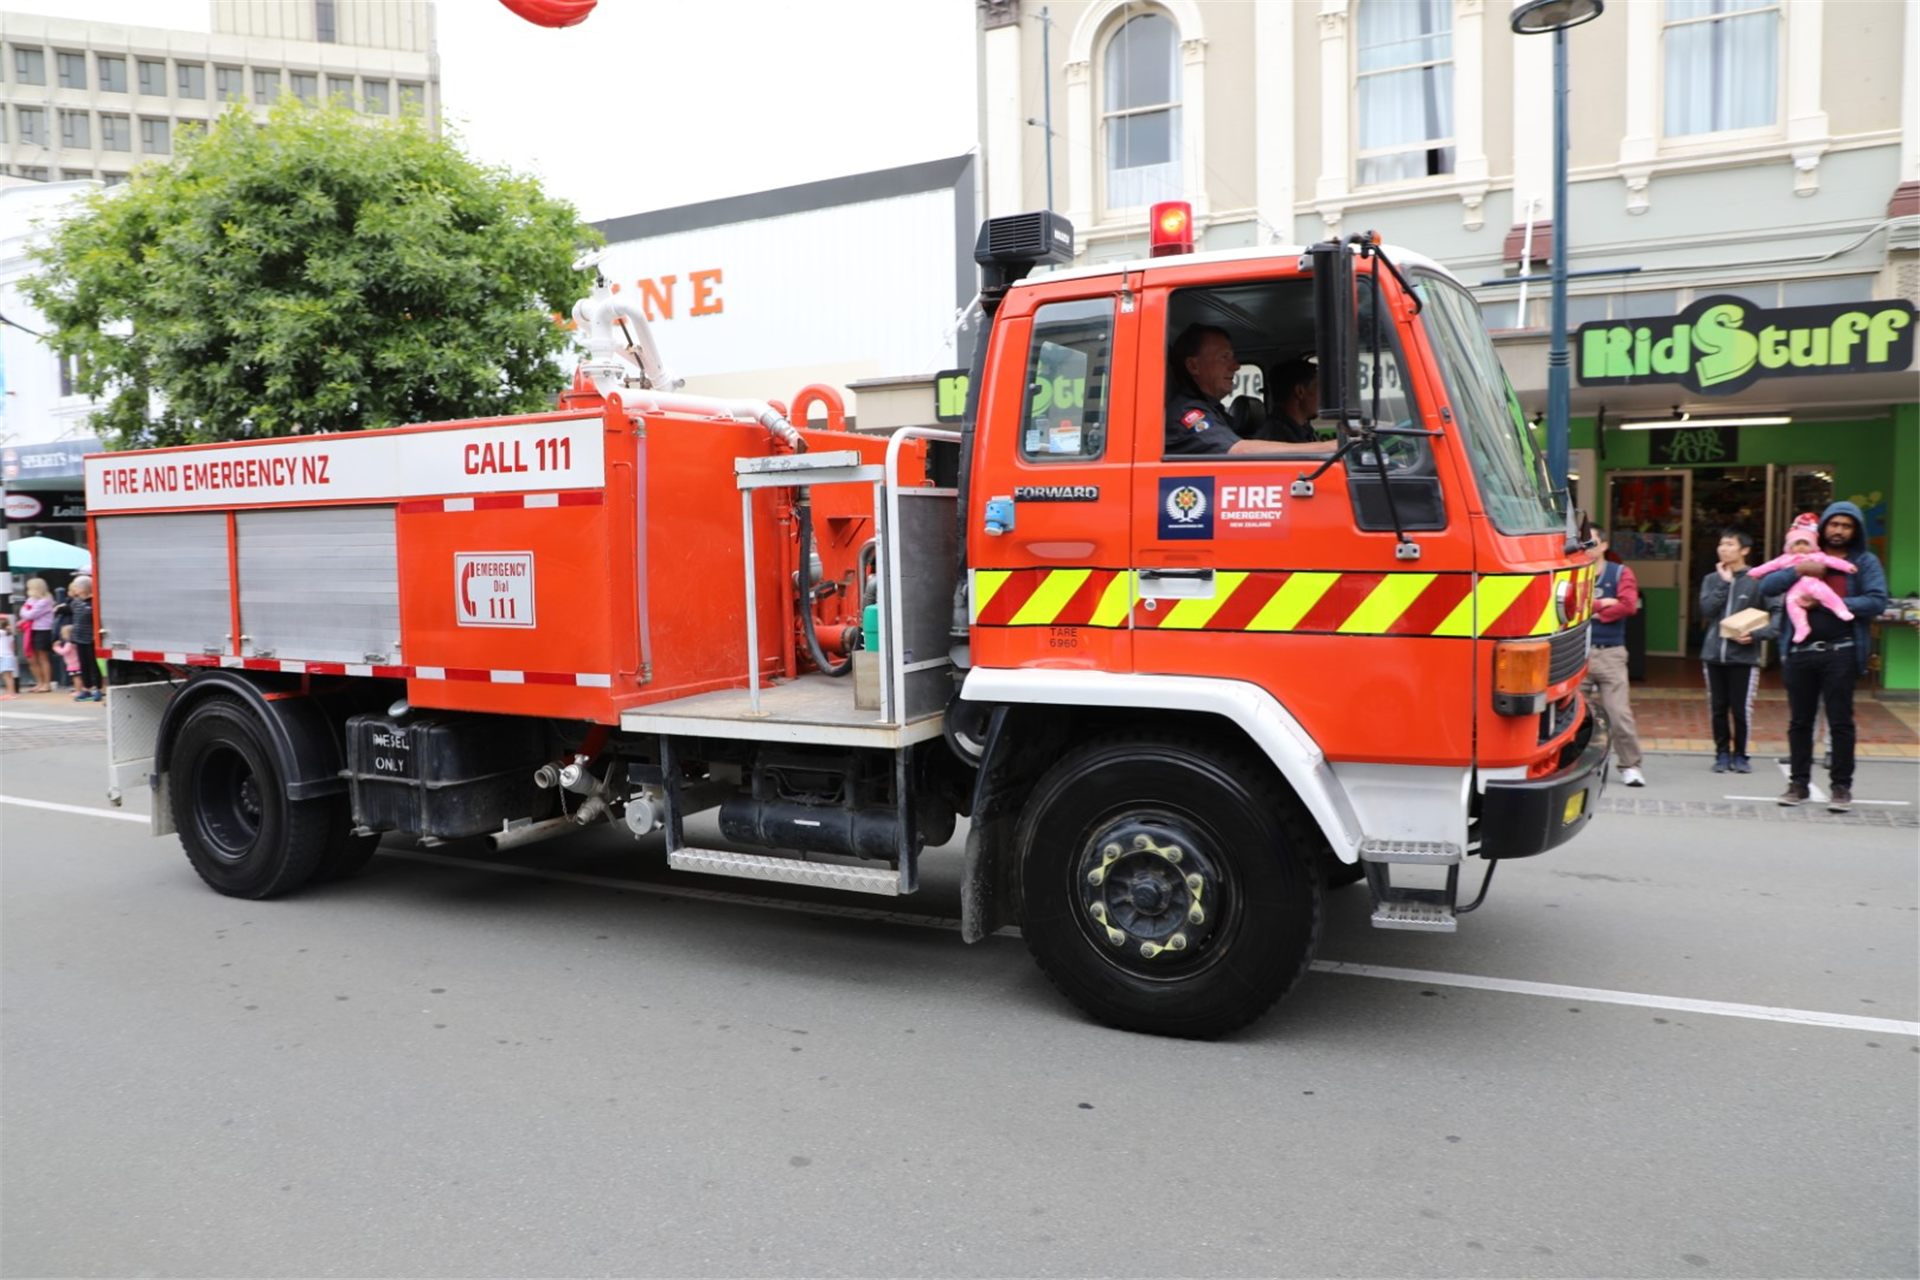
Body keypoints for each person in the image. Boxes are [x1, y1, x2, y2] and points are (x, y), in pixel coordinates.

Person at [1759, 502, 1887, 813]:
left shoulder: (1864, 562)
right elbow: (1766, 587)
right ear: (1824, 527)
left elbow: (1877, 601)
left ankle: (1841, 787)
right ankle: (1798, 784)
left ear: (1855, 531)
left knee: (1841, 722)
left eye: (1846, 526)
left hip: (1841, 652)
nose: (1839, 530)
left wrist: (1828, 603)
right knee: (1800, 722)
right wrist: (1799, 570)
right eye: (1834, 524)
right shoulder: (1801, 555)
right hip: (1800, 653)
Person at [1165, 325, 1330, 458]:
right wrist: (1328, 447)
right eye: (1224, 357)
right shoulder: (1187, 413)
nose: (1236, 366)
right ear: (1193, 366)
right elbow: (1237, 451)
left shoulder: (1215, 411)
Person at [1698, 529, 1775, 773]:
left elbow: (1778, 614)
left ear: (1745, 550)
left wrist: (1757, 635)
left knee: (1741, 709)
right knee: (1718, 707)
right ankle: (1721, 753)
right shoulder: (1711, 579)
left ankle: (1741, 754)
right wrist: (1724, 583)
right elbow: (1707, 610)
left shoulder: (1757, 580)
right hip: (1713, 655)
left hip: (1744, 656)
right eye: (1722, 544)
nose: (1723, 548)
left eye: (1730, 544)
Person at [1587, 528, 1646, 787]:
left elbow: (1629, 605)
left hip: (1611, 653)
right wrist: (1603, 604)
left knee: (1619, 714)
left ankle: (1631, 766)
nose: (1586, 546)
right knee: (1574, 717)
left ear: (1604, 545)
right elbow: (1566, 604)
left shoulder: (1621, 572)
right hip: (1577, 653)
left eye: (1591, 542)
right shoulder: (1572, 572)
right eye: (1582, 542)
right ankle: (1576, 767)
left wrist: (1593, 613)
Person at [1747, 512, 1855, 642]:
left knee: (1827, 594)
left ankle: (1841, 610)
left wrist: (1847, 566)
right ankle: (1801, 628)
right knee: (1791, 604)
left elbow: (1832, 561)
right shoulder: (1785, 559)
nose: (1801, 547)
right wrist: (1755, 572)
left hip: (1815, 585)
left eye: (1806, 544)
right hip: (1796, 591)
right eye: (1797, 544)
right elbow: (1769, 567)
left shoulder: (1816, 556)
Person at [1264, 357, 1320, 443]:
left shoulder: (1305, 430)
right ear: (1300, 391)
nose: (1322, 396)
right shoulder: (1274, 436)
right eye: (1318, 388)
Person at [65, 575, 101, 702]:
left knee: (93, 664)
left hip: (91, 638)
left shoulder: (93, 601)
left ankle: (97, 688)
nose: (75, 589)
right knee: (83, 664)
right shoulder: (76, 602)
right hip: (79, 637)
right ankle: (87, 688)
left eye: (77, 586)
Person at [18, 578, 56, 694]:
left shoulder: (46, 601)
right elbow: (24, 612)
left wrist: (25, 611)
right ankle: (39, 682)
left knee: (43, 657)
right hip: (31, 630)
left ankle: (46, 683)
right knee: (32, 658)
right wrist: (25, 611)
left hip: (43, 630)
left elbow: (31, 614)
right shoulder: (31, 599)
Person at [0, 616, 17, 698]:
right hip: (9, 656)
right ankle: (12, 693)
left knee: (6, 676)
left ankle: (11, 694)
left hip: (3, 656)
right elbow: (13, 647)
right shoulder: (9, 634)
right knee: (9, 676)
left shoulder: (1, 632)